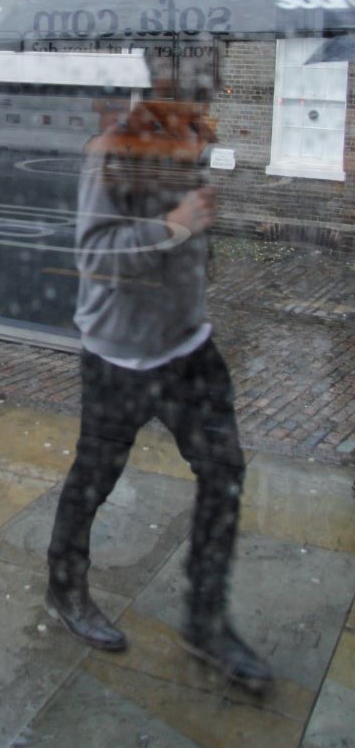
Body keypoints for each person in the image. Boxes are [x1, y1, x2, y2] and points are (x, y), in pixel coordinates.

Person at [45, 99, 273, 694]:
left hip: (189, 348)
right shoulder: (109, 153)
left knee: (224, 472)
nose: (202, 96)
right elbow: (94, 254)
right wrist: (175, 225)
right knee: (95, 478)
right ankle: (65, 586)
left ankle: (206, 621)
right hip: (120, 354)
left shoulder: (189, 142)